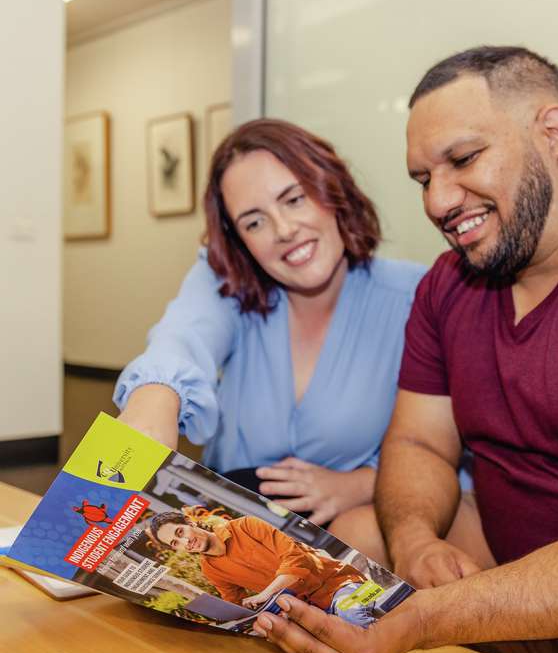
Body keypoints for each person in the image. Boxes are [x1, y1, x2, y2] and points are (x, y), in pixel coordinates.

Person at [252, 47, 558, 653]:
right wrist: (416, 540)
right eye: (424, 177)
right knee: (357, 545)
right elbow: (420, 441)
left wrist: (429, 616)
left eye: (462, 159)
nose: (437, 201)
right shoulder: (448, 285)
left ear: (554, 130)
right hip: (506, 556)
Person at [115, 118, 424, 541]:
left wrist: (361, 485)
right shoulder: (229, 282)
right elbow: (184, 334)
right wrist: (154, 396)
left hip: (357, 539)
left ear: (333, 191)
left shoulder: (416, 296)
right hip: (228, 530)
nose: (283, 230)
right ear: (239, 241)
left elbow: (453, 455)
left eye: (294, 199)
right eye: (254, 222)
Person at [148, 507, 378, 627]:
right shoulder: (210, 569)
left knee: (352, 615)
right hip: (308, 611)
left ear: (189, 522)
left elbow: (296, 559)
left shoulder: (246, 526)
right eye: (175, 543)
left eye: (180, 532)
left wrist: (266, 594)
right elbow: (234, 602)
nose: (185, 542)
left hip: (339, 585)